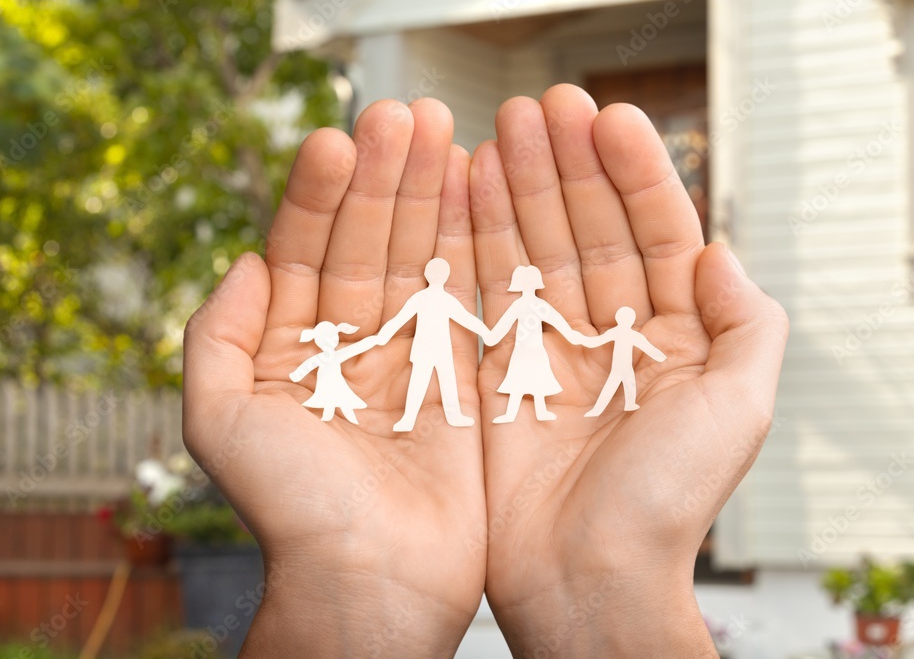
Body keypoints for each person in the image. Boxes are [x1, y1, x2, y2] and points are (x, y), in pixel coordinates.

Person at [182, 85, 789, 657]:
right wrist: (343, 580)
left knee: (486, 385)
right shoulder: (430, 301)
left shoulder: (474, 302)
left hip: (473, 357)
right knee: (440, 384)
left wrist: (618, 577)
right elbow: (416, 328)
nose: (443, 281)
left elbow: (487, 330)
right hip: (428, 357)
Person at [375, 257, 490, 432]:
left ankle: (452, 415)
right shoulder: (423, 298)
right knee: (421, 382)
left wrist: (485, 332)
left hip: (440, 349)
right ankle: (409, 418)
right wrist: (385, 333)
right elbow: (401, 318)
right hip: (425, 349)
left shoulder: (436, 299)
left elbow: (466, 318)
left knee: (444, 381)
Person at [483, 264, 587, 423]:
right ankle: (511, 414)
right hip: (522, 351)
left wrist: (571, 334)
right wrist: (492, 336)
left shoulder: (537, 305)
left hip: (535, 350)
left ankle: (540, 411)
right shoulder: (522, 305)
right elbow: (505, 322)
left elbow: (557, 320)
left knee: (537, 379)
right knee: (518, 381)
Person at [289, 321, 379, 424]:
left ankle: (347, 418)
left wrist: (371, 342)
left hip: (335, 381)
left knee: (342, 400)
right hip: (327, 382)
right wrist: (297, 374)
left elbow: (355, 349)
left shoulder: (329, 356)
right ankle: (328, 417)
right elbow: (309, 364)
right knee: (334, 400)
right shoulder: (330, 356)